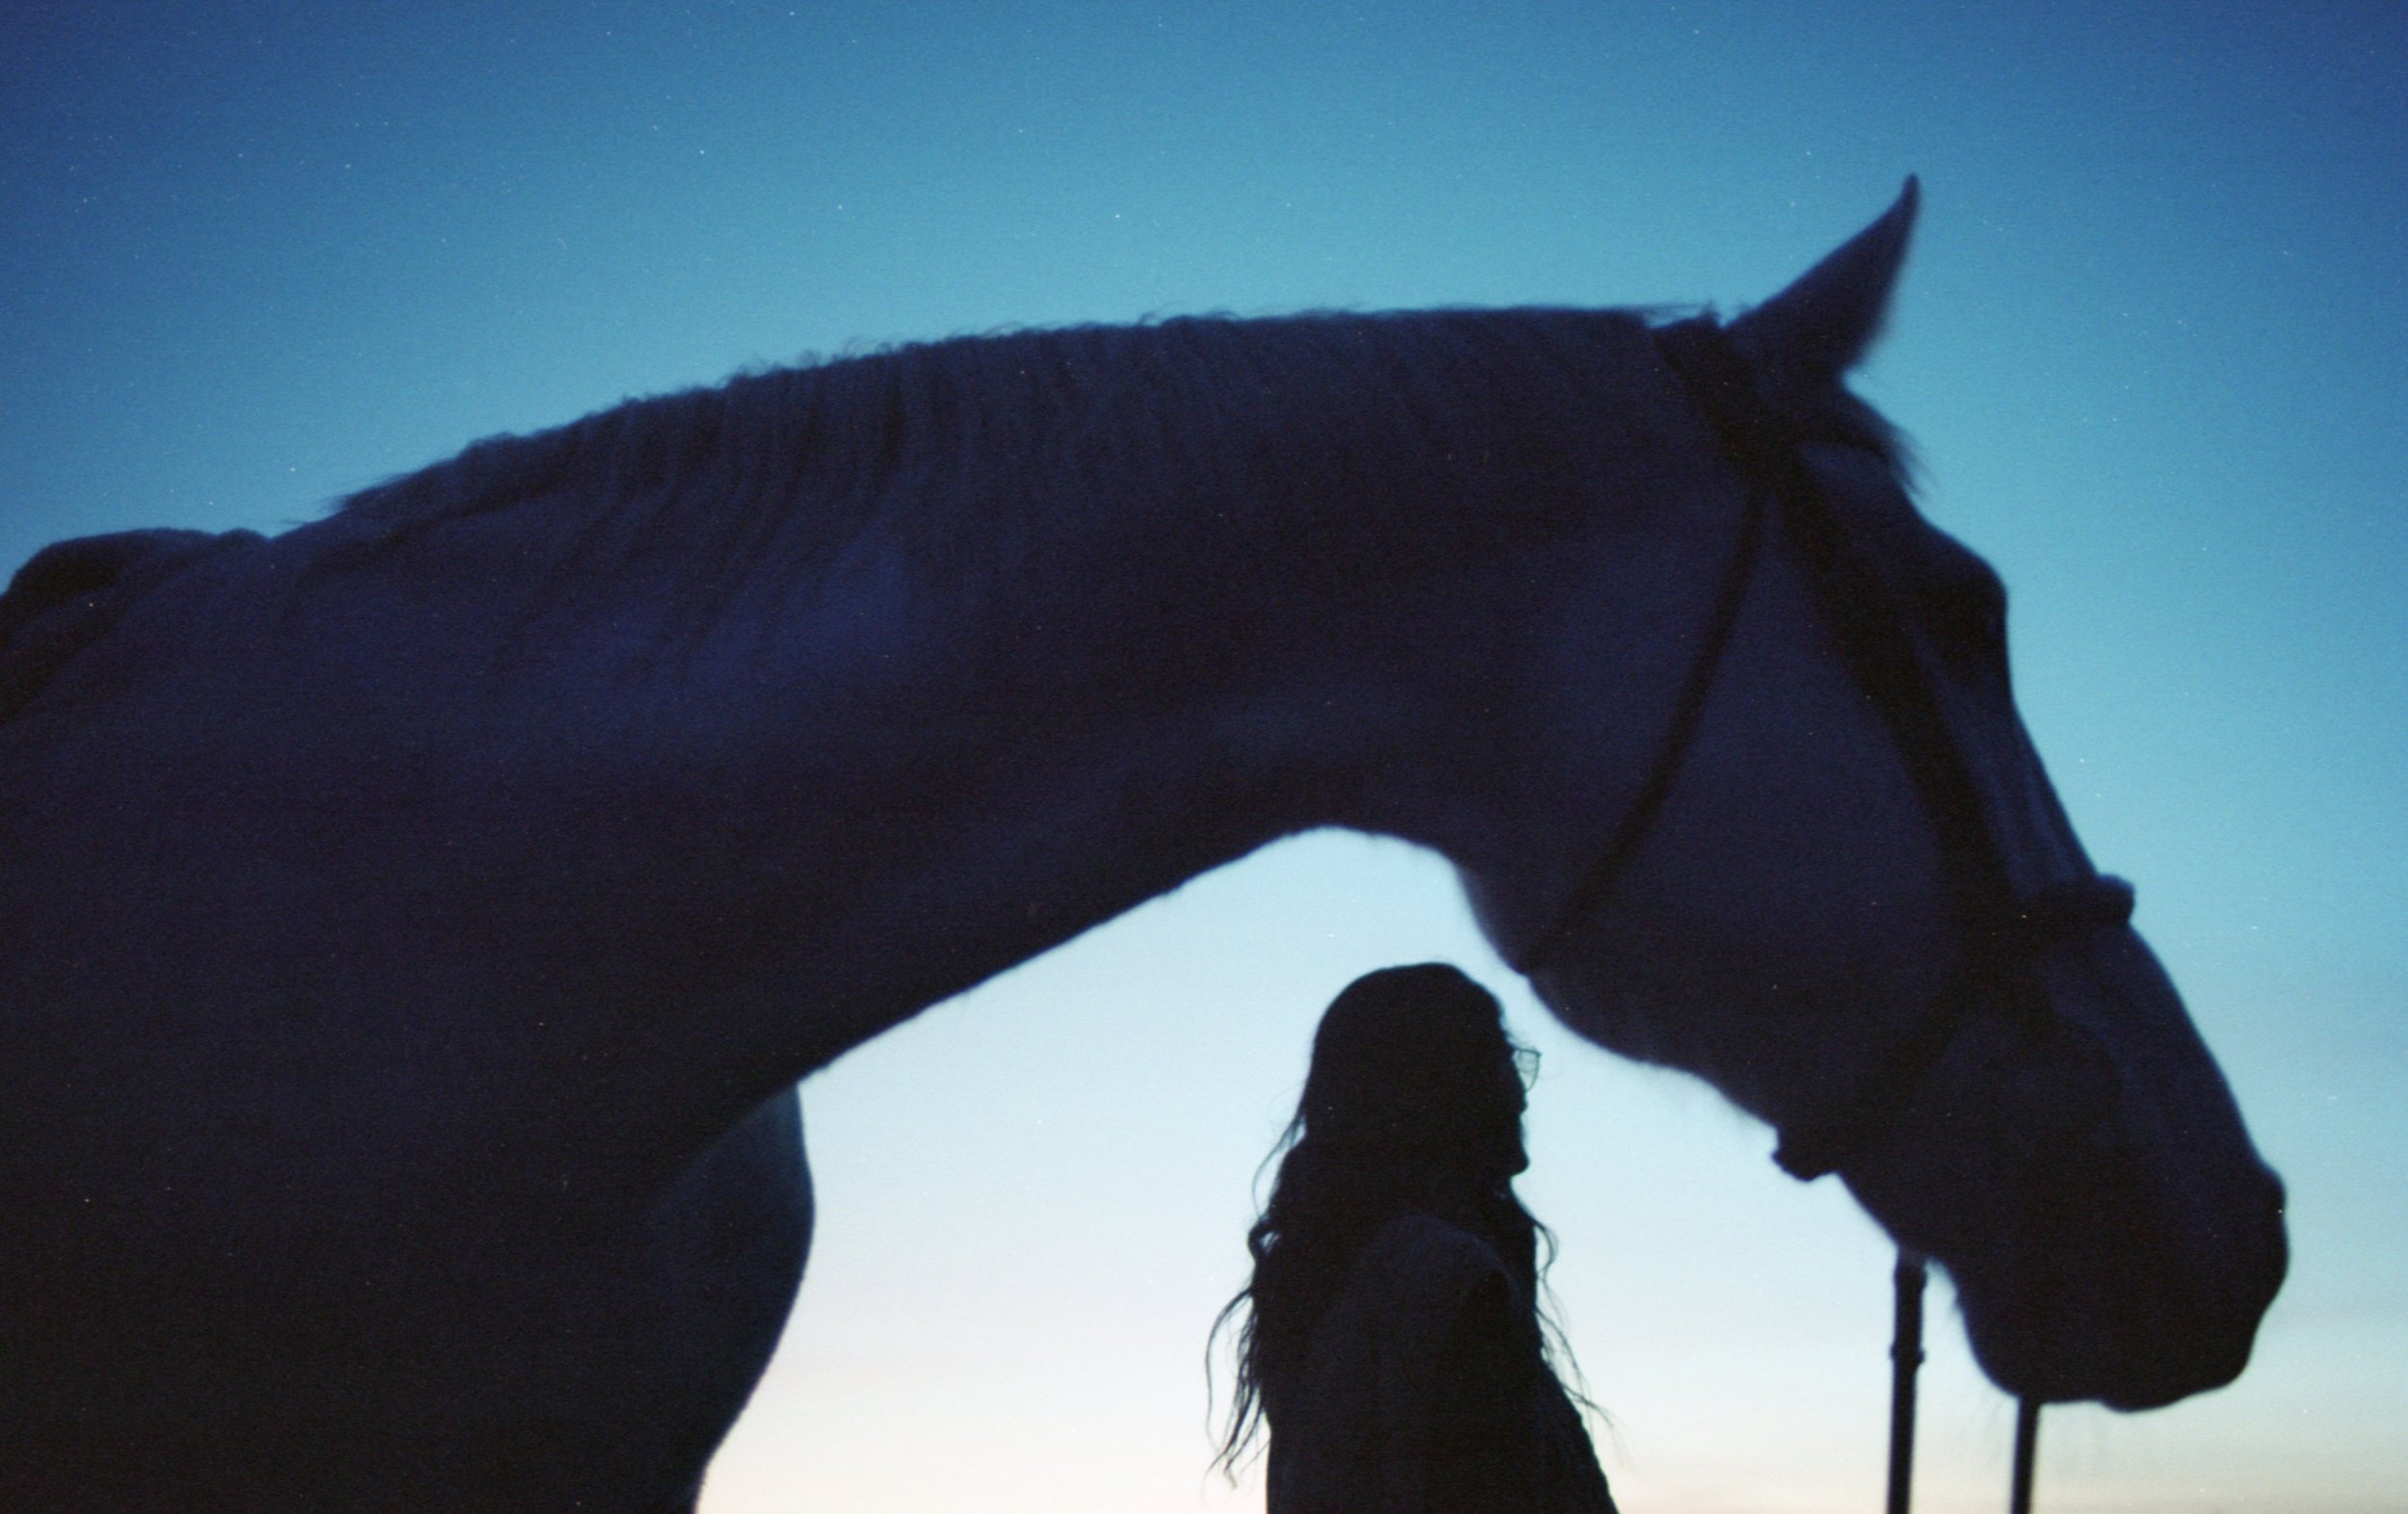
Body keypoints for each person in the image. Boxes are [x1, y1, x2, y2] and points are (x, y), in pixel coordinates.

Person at [1213, 963, 1619, 1514]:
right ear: (1446, 1081)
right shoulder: (1444, 1274)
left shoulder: (1343, 1285)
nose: (1521, 1097)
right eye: (1503, 1058)